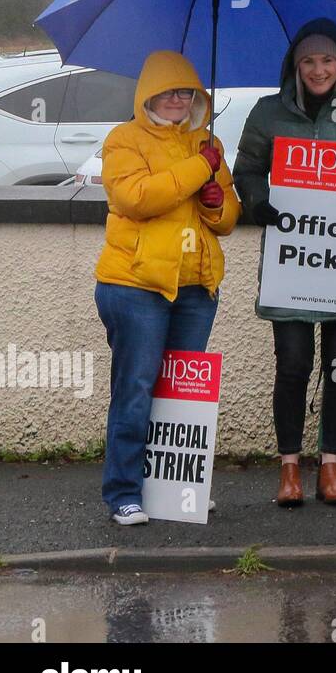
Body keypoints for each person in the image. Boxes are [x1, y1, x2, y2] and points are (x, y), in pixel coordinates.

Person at [234, 20, 336, 509]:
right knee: (293, 365)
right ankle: (289, 469)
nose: (319, 69)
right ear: (295, 66)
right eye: (309, 60)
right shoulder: (267, 114)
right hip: (293, 267)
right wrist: (258, 201)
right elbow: (246, 169)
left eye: (327, 60)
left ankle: (332, 466)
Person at [96, 51, 241, 524]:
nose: (179, 100)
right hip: (136, 286)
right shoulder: (124, 139)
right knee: (136, 388)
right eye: (170, 91)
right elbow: (137, 198)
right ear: (149, 95)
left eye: (188, 93)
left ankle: (178, 488)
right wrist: (202, 171)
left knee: (181, 393)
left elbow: (228, 221)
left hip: (195, 286)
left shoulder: (206, 141)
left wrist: (217, 204)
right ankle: (123, 493)